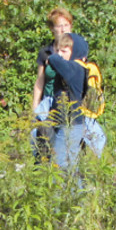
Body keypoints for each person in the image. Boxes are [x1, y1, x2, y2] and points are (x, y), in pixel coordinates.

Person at [31, 9, 89, 161]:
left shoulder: (76, 51)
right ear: (52, 28)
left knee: (90, 141)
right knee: (40, 143)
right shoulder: (46, 52)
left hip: (72, 106)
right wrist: (35, 108)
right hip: (49, 101)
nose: (63, 29)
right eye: (59, 26)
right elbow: (40, 81)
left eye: (66, 25)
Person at [44, 34, 105, 173]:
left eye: (64, 51)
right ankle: (77, 192)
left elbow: (53, 59)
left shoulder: (75, 68)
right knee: (70, 168)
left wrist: (53, 57)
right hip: (65, 124)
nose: (59, 54)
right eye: (58, 50)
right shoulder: (71, 69)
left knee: (60, 168)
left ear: (76, 53)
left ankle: (63, 193)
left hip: (70, 126)